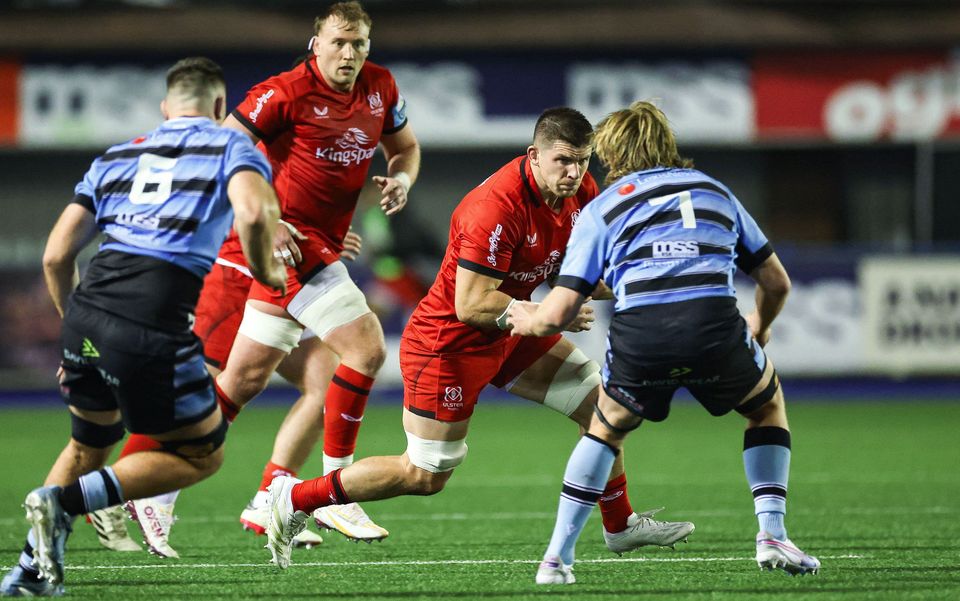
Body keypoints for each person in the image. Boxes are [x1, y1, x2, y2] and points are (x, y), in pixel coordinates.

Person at [262, 106, 694, 570]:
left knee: (601, 407)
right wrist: (551, 313)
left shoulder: (580, 191)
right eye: (563, 161)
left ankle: (619, 524)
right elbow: (471, 304)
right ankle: (293, 497)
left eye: (583, 161)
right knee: (424, 474)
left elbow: (581, 271)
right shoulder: (495, 208)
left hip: (512, 333)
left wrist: (641, 283)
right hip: (449, 344)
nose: (574, 173)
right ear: (534, 155)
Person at [0, 57, 286, 596]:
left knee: (90, 443)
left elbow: (56, 255)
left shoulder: (117, 155)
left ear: (165, 108)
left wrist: (76, 329)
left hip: (85, 314)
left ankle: (29, 571)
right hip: (150, 322)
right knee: (202, 453)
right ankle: (61, 503)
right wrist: (269, 272)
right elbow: (252, 215)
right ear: (221, 108)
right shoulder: (232, 147)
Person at [506, 100, 820, 585]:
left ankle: (556, 560)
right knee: (765, 406)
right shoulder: (716, 192)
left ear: (611, 154)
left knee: (605, 431)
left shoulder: (602, 208)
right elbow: (777, 282)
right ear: (666, 145)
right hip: (715, 329)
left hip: (642, 337)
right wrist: (760, 323)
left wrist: (525, 320)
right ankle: (772, 533)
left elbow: (560, 311)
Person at [216, 0, 420, 543]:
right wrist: (267, 215)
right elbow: (225, 147)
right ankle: (335, 490)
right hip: (290, 247)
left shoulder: (381, 86)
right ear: (317, 44)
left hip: (322, 245)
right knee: (367, 347)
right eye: (338, 42)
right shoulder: (284, 91)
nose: (348, 53)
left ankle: (151, 481)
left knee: (240, 383)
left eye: (358, 44)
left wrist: (400, 178)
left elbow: (405, 148)